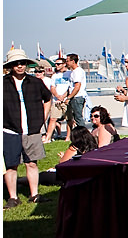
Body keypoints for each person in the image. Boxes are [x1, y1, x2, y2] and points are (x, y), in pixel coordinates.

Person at [3, 49, 52, 209]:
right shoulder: (4, 83)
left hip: (32, 130)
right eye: (16, 63)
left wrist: (42, 119)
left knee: (31, 163)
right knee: (11, 165)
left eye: (22, 63)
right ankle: (13, 197)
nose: (20, 66)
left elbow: (48, 99)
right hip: (9, 130)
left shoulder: (35, 82)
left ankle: (34, 194)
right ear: (10, 65)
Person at [46, 57, 71, 143]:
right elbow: (52, 87)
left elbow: (71, 87)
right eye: (55, 64)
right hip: (56, 100)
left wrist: (64, 96)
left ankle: (68, 137)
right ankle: (48, 137)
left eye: (58, 64)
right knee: (53, 118)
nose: (56, 65)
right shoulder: (55, 76)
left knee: (69, 119)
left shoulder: (70, 74)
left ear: (64, 64)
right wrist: (57, 96)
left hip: (66, 99)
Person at [62, 53, 88, 133]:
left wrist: (69, 98)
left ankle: (84, 134)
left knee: (78, 118)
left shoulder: (77, 72)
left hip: (77, 97)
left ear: (73, 61)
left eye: (67, 61)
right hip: (75, 97)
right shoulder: (73, 72)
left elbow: (77, 87)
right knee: (75, 118)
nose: (66, 63)